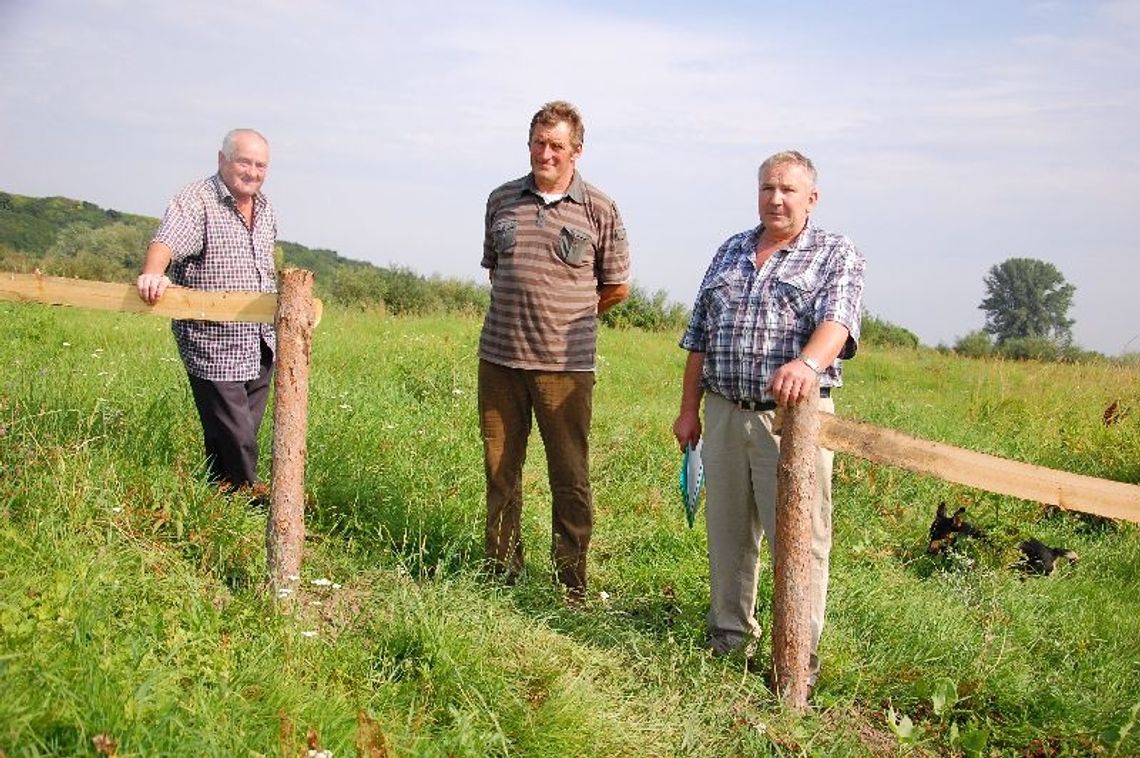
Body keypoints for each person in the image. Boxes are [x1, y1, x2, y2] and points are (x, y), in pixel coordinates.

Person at [672, 150, 864, 689]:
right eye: (766, 189)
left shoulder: (834, 252)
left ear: (811, 198)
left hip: (794, 425)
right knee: (729, 533)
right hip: (725, 413)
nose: (775, 199)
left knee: (800, 539)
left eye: (787, 190)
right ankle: (729, 642)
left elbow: (839, 322)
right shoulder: (731, 249)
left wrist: (807, 363)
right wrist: (689, 409)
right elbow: (698, 338)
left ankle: (795, 660)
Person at [478, 100, 632, 603]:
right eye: (539, 143)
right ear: (529, 145)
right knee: (501, 472)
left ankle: (571, 584)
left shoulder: (600, 209)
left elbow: (616, 287)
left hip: (565, 369)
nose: (546, 153)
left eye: (557, 146)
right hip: (500, 360)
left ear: (577, 151)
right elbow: (496, 268)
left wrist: (568, 318)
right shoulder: (501, 199)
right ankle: (501, 573)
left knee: (569, 476)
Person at [137, 128, 278, 497]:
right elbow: (166, 240)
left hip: (259, 340)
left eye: (260, 165)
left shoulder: (265, 208)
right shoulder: (197, 200)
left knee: (233, 430)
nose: (252, 171)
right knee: (239, 435)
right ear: (222, 160)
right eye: (244, 161)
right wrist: (154, 273)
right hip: (212, 340)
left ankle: (220, 497)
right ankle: (252, 501)